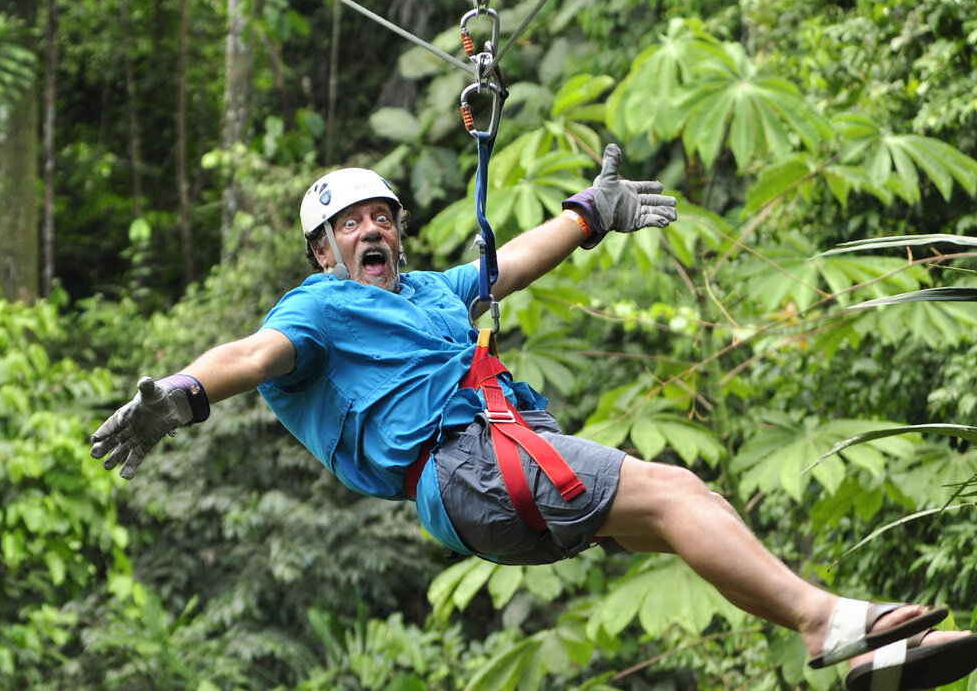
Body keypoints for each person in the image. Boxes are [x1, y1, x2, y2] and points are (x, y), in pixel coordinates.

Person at [91, 145, 977, 690]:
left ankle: (861, 656)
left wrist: (591, 213)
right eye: (349, 224)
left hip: (498, 467)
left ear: (398, 232)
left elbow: (509, 263)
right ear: (322, 250)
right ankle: (825, 620)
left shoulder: (433, 292)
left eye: (381, 217)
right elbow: (248, 355)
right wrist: (181, 394)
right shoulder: (318, 309)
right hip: (470, 466)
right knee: (673, 492)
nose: (371, 230)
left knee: (686, 504)